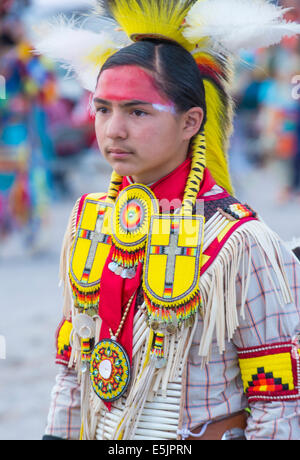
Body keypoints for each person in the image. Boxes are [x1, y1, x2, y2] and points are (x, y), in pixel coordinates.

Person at [36, 0, 300, 440]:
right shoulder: (90, 221)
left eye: (137, 112)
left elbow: (278, 404)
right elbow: (71, 372)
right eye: (103, 109)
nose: (113, 130)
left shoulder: (240, 242)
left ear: (191, 121)